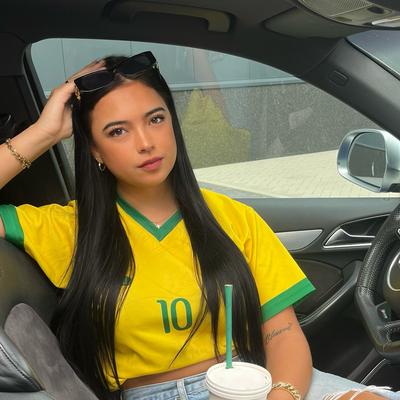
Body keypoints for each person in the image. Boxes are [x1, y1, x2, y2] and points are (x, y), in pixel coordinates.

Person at [0, 52, 398, 400]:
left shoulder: (235, 218)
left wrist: (281, 395)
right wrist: (44, 132)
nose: (145, 142)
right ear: (94, 150)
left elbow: (282, 334)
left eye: (156, 119)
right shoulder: (68, 228)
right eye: (117, 131)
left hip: (255, 383)